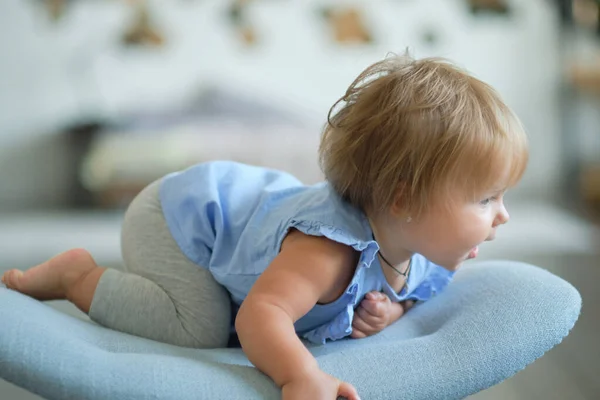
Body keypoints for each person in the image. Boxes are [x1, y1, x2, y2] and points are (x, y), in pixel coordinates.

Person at [1, 53, 528, 400]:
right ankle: (79, 277)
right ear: (403, 199)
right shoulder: (326, 253)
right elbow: (262, 313)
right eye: (485, 199)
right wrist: (299, 374)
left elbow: (407, 291)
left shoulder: (416, 250)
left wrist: (392, 309)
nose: (502, 215)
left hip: (245, 210)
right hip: (178, 220)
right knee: (202, 327)